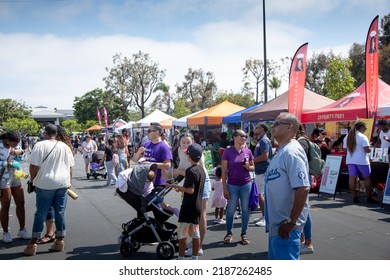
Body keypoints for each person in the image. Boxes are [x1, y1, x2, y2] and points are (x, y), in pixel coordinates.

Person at [264, 113, 310, 260]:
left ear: (290, 127)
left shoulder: (291, 152)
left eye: (276, 123)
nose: (272, 126)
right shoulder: (282, 150)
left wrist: (291, 221)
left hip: (286, 228)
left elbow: (303, 188)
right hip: (277, 227)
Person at [24, 124, 74, 256]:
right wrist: (69, 182)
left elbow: (33, 166)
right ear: (56, 133)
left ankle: (33, 243)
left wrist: (33, 180)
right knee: (60, 212)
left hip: (45, 183)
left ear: (45, 133)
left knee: (40, 212)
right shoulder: (65, 146)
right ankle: (59, 241)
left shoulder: (40, 145)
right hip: (62, 182)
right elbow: (70, 167)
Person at [171, 132, 211, 257]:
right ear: (179, 143)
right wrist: (175, 174)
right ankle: (192, 244)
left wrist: (179, 172)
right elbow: (182, 168)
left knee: (200, 215)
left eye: (188, 142)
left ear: (193, 142)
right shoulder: (179, 151)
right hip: (188, 183)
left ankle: (199, 247)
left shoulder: (197, 153)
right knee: (191, 215)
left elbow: (197, 173)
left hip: (202, 183)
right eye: (183, 142)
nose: (186, 145)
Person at [222, 129, 254, 245]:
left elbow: (253, 167)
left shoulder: (248, 151)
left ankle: (244, 233)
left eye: (245, 136)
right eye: (242, 136)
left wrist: (248, 167)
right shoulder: (228, 152)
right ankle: (229, 233)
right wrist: (224, 188)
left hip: (246, 184)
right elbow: (224, 171)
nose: (244, 138)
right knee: (231, 210)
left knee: (245, 209)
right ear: (235, 137)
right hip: (232, 184)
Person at [0, 131, 31, 243]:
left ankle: (22, 229)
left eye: (17, 143)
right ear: (7, 141)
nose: (16, 145)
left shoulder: (16, 145)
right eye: (14, 143)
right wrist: (6, 163)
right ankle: (6, 233)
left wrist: (20, 151)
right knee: (6, 204)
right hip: (3, 177)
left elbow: (22, 158)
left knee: (21, 202)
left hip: (16, 175)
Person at [343, 121, 378, 204]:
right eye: (365, 127)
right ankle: (369, 198)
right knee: (367, 178)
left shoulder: (347, 137)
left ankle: (355, 198)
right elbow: (367, 150)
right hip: (362, 160)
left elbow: (345, 150)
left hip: (350, 160)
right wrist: (370, 148)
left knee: (352, 178)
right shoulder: (363, 137)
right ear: (361, 127)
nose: (365, 129)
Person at [132, 122, 172, 189]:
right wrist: (138, 152)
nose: (147, 133)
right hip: (145, 180)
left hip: (158, 182)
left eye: (149, 131)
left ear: (157, 132)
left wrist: (150, 164)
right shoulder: (146, 144)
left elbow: (167, 165)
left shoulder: (164, 147)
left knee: (154, 199)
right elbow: (134, 160)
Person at [295, 124, 315, 255]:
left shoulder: (301, 142)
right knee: (303, 211)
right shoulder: (301, 141)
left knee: (304, 211)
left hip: (302, 180)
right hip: (302, 179)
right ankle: (303, 241)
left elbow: (299, 161)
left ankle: (308, 243)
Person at [253, 123, 273, 227]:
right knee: (260, 194)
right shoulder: (261, 140)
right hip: (260, 170)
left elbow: (265, 156)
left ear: (263, 130)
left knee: (261, 194)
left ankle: (266, 218)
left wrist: (252, 160)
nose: (256, 129)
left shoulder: (264, 140)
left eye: (258, 127)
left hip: (263, 170)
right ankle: (263, 216)